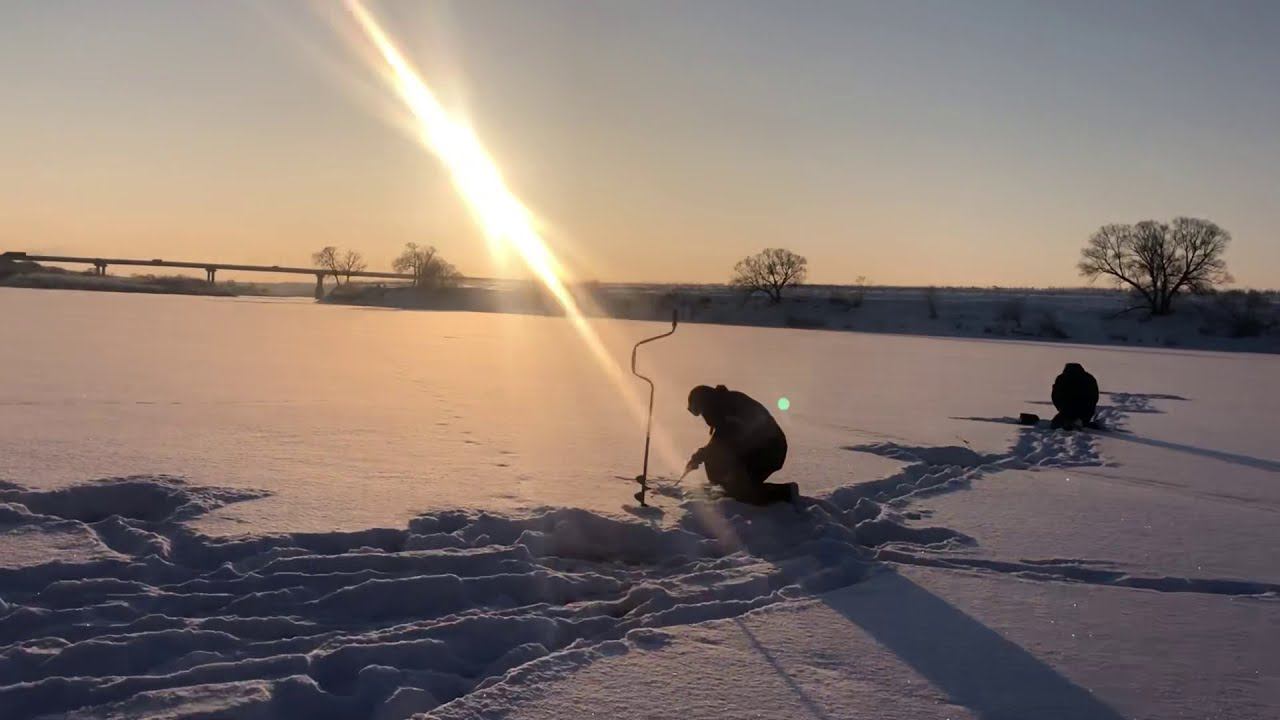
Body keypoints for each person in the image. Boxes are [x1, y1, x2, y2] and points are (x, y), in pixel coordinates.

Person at [684, 384, 797, 505]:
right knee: (728, 477)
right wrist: (702, 455)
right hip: (760, 448)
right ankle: (734, 488)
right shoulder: (724, 406)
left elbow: (723, 442)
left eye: (700, 411)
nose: (703, 417)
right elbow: (719, 442)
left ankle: (786, 492)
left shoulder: (728, 410)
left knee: (740, 490)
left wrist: (702, 455)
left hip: (770, 450)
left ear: (706, 404)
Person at [1051, 363, 1099, 430]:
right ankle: (1081, 422)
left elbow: (1055, 396)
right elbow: (1095, 397)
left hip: (1066, 411)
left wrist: (1061, 409)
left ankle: (1070, 423)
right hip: (1086, 411)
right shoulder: (1089, 378)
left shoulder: (1062, 378)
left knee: (1054, 425)